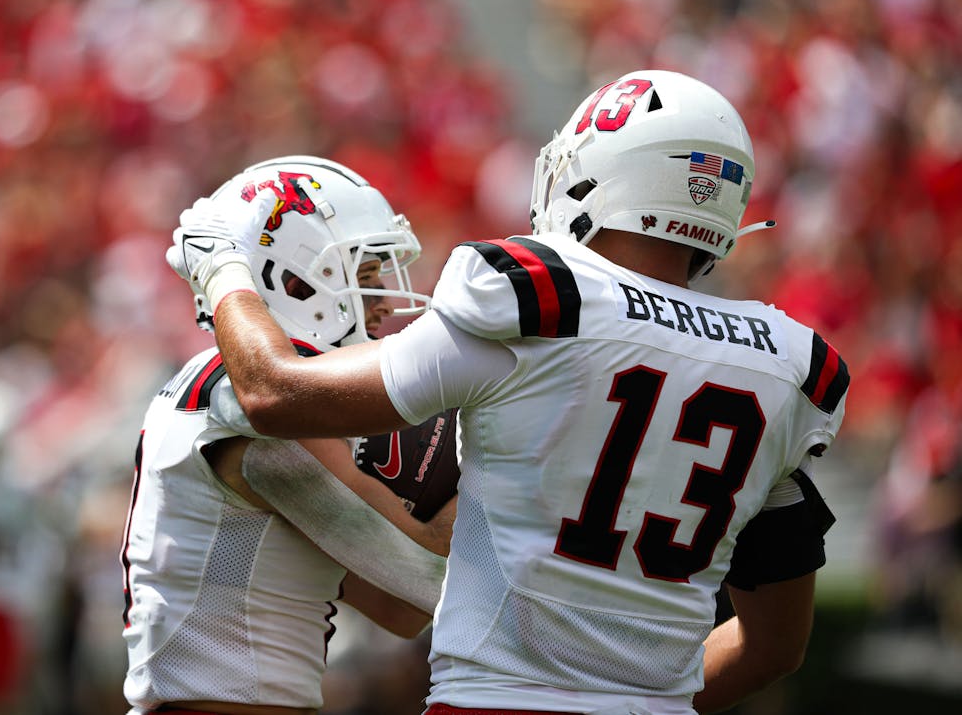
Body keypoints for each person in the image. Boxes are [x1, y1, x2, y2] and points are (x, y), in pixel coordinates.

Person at [167, 71, 850, 715]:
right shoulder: (786, 363)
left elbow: (272, 393)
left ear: (596, 175)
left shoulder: (540, 295)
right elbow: (774, 646)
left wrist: (223, 263)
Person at [122, 156, 458, 715]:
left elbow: (401, 609)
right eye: (364, 278)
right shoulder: (239, 398)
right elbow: (425, 578)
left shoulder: (228, 391)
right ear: (291, 280)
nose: (381, 306)